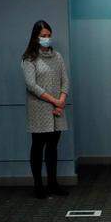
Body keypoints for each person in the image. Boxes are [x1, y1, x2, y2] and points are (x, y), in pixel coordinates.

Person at [21, 20, 70, 199]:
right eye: (43, 36)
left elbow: (65, 80)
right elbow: (31, 84)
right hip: (39, 109)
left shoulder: (57, 56)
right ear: (36, 37)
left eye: (49, 36)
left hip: (57, 110)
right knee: (38, 147)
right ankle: (38, 186)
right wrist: (54, 101)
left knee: (53, 147)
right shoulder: (29, 59)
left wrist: (61, 100)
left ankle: (53, 183)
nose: (46, 39)